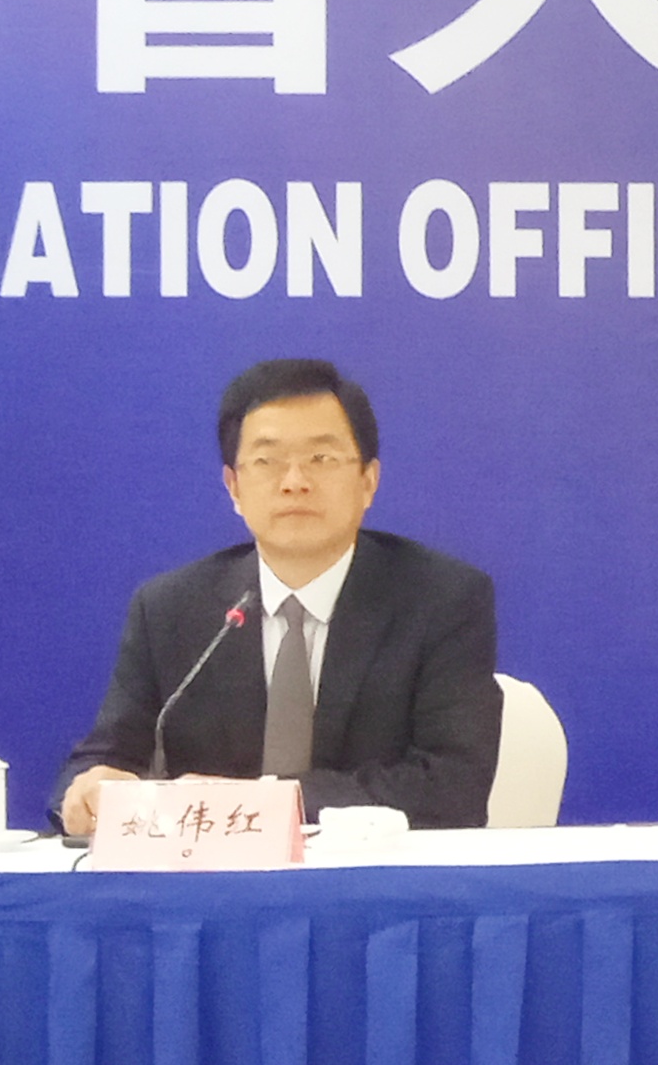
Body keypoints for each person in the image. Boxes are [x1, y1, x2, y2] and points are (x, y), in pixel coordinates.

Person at [57, 358, 503, 837]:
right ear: (234, 487)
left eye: (321, 459)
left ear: (368, 481)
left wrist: (264, 803)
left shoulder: (441, 600)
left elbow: (453, 787)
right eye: (267, 461)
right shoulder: (169, 610)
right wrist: (90, 791)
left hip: (370, 875)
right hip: (215, 878)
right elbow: (105, 756)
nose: (294, 482)